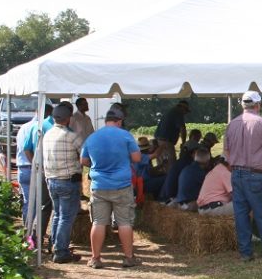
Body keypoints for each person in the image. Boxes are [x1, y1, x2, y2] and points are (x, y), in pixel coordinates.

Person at [80, 107, 142, 269]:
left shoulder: (92, 137)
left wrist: (97, 165)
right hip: (121, 185)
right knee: (124, 222)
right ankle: (129, 258)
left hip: (99, 185)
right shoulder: (125, 135)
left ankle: (95, 258)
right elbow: (136, 158)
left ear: (106, 121)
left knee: (99, 222)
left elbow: (83, 161)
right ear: (120, 121)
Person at [224, 91, 262, 262]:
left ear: (243, 105)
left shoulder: (232, 124)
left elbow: (226, 152)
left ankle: (245, 253)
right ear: (258, 105)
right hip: (256, 174)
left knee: (241, 214)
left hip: (236, 173)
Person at [42, 102, 84, 264]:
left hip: (52, 180)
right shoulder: (71, 136)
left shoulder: (47, 135)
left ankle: (54, 245)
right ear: (68, 119)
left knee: (58, 214)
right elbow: (85, 155)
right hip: (68, 180)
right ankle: (61, 251)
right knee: (66, 217)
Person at [16, 103, 53, 225]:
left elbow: (22, 148)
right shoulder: (42, 128)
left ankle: (27, 229)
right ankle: (33, 231)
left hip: (22, 167)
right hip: (36, 168)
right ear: (47, 114)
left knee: (28, 201)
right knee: (40, 203)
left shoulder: (24, 127)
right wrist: (35, 164)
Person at [154, 100, 190, 172]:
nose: (185, 113)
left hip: (158, 141)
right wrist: (183, 143)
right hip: (166, 142)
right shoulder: (178, 112)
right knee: (171, 166)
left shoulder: (171, 111)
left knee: (162, 165)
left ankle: (162, 181)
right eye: (185, 111)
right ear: (183, 108)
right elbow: (182, 129)